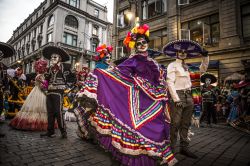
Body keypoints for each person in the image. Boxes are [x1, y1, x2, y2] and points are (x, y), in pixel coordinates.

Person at [76, 24, 177, 166]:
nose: (141, 45)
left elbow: (160, 79)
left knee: (157, 128)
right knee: (136, 128)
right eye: (138, 43)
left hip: (155, 100)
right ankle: (129, 157)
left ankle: (155, 155)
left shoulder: (154, 63)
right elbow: (118, 72)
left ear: (148, 43)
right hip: (138, 99)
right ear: (135, 46)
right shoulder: (133, 60)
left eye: (143, 42)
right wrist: (99, 73)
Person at [163, 39, 209, 158]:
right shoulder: (172, 65)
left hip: (190, 96)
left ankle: (184, 148)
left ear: (186, 54)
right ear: (176, 53)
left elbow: (203, 69)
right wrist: (176, 99)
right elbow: (170, 82)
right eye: (180, 51)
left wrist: (205, 56)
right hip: (178, 96)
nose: (183, 53)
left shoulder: (189, 67)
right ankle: (171, 150)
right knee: (175, 123)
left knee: (186, 123)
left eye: (184, 51)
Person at [40, 45, 74, 138]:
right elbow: (47, 80)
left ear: (60, 58)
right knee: (50, 112)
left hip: (59, 92)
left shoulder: (66, 66)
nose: (52, 59)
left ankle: (63, 132)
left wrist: (67, 87)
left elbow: (72, 78)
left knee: (58, 112)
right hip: (49, 92)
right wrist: (43, 82)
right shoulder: (49, 68)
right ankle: (50, 131)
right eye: (51, 57)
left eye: (54, 57)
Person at [9, 59, 50, 130]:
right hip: (39, 91)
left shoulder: (39, 75)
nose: (45, 69)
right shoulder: (40, 76)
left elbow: (37, 83)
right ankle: (35, 122)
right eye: (44, 68)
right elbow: (42, 85)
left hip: (36, 91)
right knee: (38, 107)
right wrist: (45, 88)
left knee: (35, 107)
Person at [0, 42, 16, 137]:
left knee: (0, 108)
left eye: (1, 55)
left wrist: (6, 88)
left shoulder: (3, 67)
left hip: (0, 91)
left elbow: (5, 80)